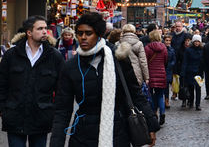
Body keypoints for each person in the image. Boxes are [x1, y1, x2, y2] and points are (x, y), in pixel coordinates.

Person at [50, 12, 158, 147]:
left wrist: (151, 125)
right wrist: (56, 142)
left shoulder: (118, 58)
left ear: (99, 34)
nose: (83, 37)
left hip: (117, 131)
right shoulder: (70, 66)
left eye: (88, 33)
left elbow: (136, 94)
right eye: (80, 33)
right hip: (83, 134)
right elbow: (62, 109)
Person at [0, 16, 64, 147]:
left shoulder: (54, 56)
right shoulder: (12, 55)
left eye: (45, 28)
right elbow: (0, 84)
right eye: (40, 28)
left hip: (41, 118)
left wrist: (53, 111)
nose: (44, 32)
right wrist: (1, 109)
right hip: (15, 117)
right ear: (29, 32)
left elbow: (62, 89)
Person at [144, 29, 168, 125]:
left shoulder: (147, 48)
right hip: (161, 73)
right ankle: (162, 113)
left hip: (151, 74)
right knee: (160, 96)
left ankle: (154, 113)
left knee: (151, 96)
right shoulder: (164, 47)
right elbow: (166, 60)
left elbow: (145, 61)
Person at [181, 34, 203, 110]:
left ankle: (198, 104)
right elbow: (185, 62)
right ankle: (191, 102)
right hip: (190, 72)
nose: (197, 43)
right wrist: (183, 73)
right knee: (191, 88)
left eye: (198, 41)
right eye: (195, 41)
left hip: (199, 72)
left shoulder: (202, 50)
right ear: (193, 41)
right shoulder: (188, 50)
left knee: (198, 88)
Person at [170, 21, 191, 101]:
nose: (177, 28)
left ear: (182, 27)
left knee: (182, 77)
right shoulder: (172, 35)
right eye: (176, 26)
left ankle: (183, 93)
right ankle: (174, 92)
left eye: (179, 26)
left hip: (182, 59)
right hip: (174, 58)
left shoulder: (186, 35)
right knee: (174, 77)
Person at [163, 34, 176, 109]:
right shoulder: (162, 49)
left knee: (167, 85)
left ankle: (167, 99)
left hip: (169, 70)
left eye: (169, 41)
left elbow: (174, 59)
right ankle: (164, 99)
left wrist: (171, 65)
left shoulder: (172, 49)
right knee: (164, 86)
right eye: (166, 40)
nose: (168, 42)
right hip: (162, 68)